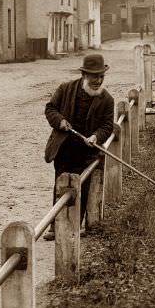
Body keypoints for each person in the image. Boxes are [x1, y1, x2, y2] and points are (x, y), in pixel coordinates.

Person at [42, 54, 114, 240]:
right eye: (94, 77)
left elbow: (107, 126)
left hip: (87, 152)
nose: (98, 81)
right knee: (61, 185)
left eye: (101, 77)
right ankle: (55, 227)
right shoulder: (66, 89)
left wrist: (95, 136)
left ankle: (73, 227)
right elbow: (50, 109)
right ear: (84, 75)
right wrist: (60, 121)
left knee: (80, 188)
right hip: (64, 149)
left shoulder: (107, 100)